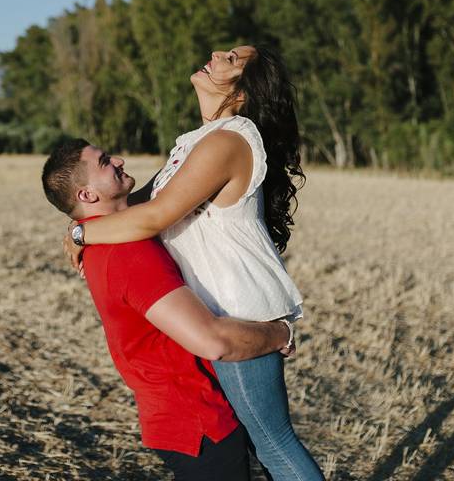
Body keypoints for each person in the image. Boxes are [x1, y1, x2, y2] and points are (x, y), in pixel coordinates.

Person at [64, 45, 325, 480]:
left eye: (232, 60)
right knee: (262, 446)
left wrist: (79, 232)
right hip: (217, 306)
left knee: (274, 444)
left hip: (238, 308)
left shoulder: (227, 141)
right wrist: (81, 224)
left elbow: (152, 217)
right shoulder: (194, 142)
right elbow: (142, 202)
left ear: (243, 90)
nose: (217, 53)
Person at [41, 137, 297, 481]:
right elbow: (212, 342)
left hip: (178, 416)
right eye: (104, 162)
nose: (118, 159)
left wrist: (77, 230)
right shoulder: (128, 254)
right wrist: (279, 332)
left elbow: (172, 182)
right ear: (86, 195)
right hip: (199, 421)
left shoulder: (108, 238)